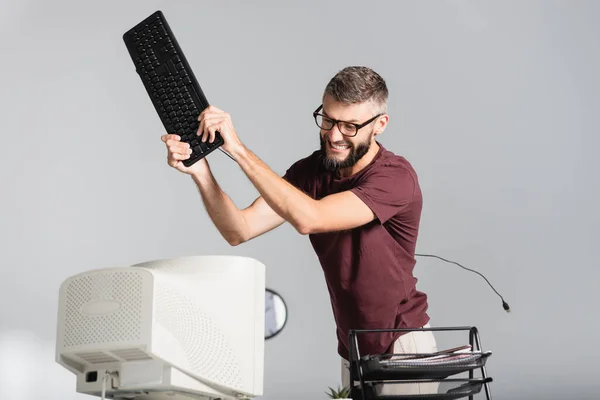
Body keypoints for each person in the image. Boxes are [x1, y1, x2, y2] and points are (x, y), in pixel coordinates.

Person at [160, 66, 437, 395]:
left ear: (380, 125)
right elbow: (240, 229)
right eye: (329, 120)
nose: (334, 136)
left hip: (402, 343)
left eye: (350, 126)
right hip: (352, 348)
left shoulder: (395, 177)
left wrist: (236, 148)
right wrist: (201, 173)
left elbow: (311, 218)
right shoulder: (311, 173)